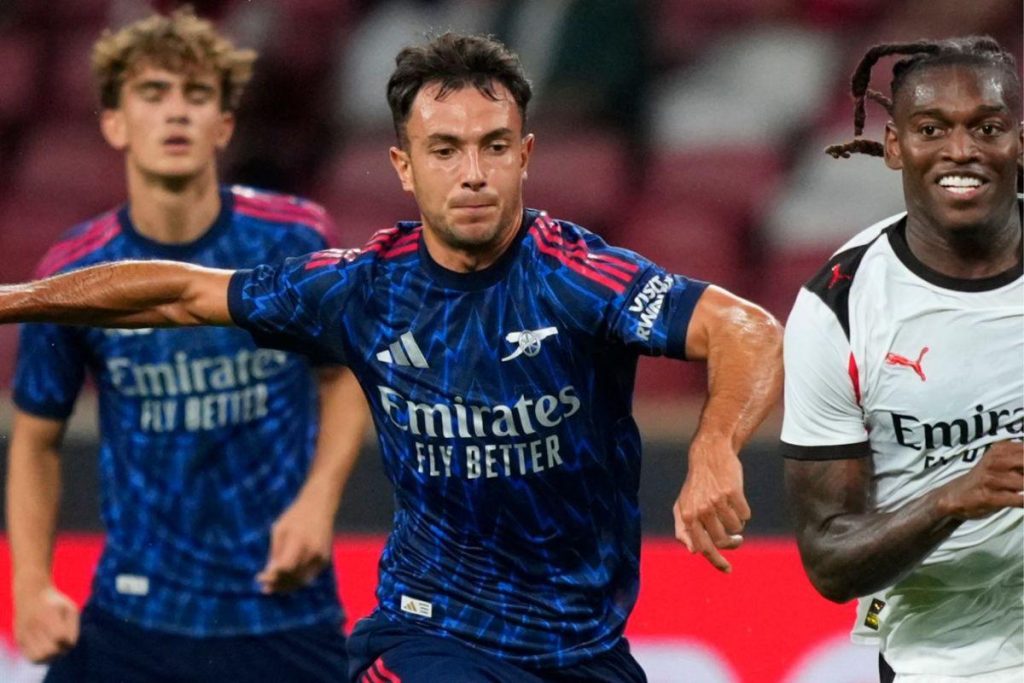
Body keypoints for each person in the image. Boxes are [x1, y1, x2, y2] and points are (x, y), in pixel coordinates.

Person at [0, 32, 783, 682]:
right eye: (444, 149)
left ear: (525, 155)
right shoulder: (362, 288)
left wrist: (716, 445)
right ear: (404, 165)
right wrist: (12, 299)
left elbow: (746, 328)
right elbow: (177, 293)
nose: (472, 173)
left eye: (493, 146)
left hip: (582, 648)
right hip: (428, 633)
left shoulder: (577, 277)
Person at [5, 8, 369, 682]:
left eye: (197, 94)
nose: (176, 111)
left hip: (284, 610)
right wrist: (31, 584)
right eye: (153, 93)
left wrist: (319, 501)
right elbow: (35, 438)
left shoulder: (293, 239)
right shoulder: (76, 271)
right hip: (133, 613)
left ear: (223, 124)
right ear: (115, 123)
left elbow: (342, 376)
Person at [781, 36, 1023, 683]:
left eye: (988, 127)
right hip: (947, 660)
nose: (961, 150)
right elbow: (830, 562)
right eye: (931, 129)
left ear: (1020, 141)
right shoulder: (838, 308)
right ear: (894, 146)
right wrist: (953, 499)